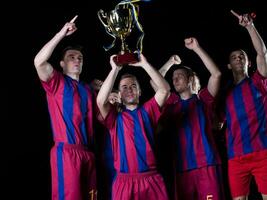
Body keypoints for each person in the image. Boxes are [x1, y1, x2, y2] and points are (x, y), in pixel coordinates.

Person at [33, 15, 97, 200]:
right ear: (62, 64)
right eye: (71, 57)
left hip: (88, 153)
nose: (77, 60)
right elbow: (39, 62)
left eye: (80, 58)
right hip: (67, 154)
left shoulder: (87, 89)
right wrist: (62, 33)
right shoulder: (57, 82)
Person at [156, 37, 225, 200]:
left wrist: (196, 48)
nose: (174, 79)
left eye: (179, 75)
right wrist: (170, 63)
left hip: (206, 166)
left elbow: (216, 74)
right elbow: (156, 80)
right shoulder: (172, 103)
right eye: (173, 77)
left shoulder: (203, 100)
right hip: (182, 169)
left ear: (189, 81)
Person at [96, 53, 170, 200]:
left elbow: (164, 90)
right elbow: (100, 101)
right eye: (124, 87)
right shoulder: (114, 119)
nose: (129, 89)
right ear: (120, 95)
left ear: (139, 92)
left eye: (133, 86)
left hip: (151, 179)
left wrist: (145, 64)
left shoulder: (148, 111)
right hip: (124, 181)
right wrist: (115, 69)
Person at [221, 10, 267, 200]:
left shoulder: (258, 81)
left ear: (248, 62)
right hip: (236, 157)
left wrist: (250, 26)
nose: (239, 58)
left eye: (242, 56)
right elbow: (218, 123)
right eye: (234, 57)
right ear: (229, 65)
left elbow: (262, 52)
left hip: (263, 152)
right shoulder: (224, 93)